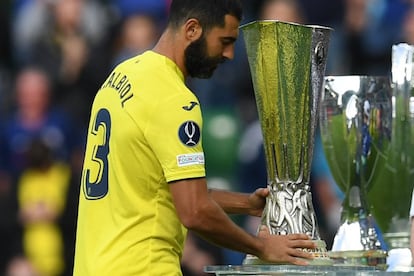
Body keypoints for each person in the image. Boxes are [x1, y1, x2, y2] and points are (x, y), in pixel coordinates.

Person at [73, 1, 316, 275]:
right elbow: (194, 211)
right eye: (225, 41)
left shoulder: (121, 76)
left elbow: (162, 190)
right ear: (192, 29)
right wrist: (262, 247)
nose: (229, 54)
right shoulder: (174, 99)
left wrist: (245, 204)